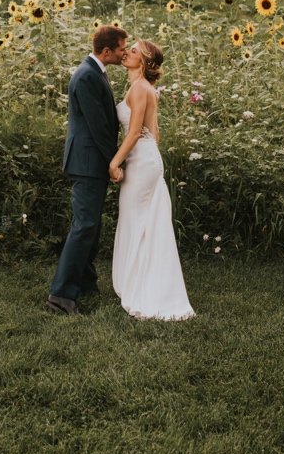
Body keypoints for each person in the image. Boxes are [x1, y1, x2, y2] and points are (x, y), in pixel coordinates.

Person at [108, 39, 194, 320]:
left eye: (133, 51)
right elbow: (154, 134)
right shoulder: (141, 88)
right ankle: (139, 278)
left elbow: (134, 134)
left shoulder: (141, 89)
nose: (126, 53)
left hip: (142, 161)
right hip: (144, 158)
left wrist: (115, 162)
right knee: (140, 220)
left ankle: (144, 287)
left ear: (144, 62)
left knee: (138, 220)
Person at [47, 24, 127, 316]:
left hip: (90, 161)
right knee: (84, 226)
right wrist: (115, 162)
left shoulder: (95, 72)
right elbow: (98, 128)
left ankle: (84, 281)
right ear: (106, 51)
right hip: (88, 162)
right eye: (120, 49)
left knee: (91, 226)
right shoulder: (87, 76)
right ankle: (61, 295)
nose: (123, 53)